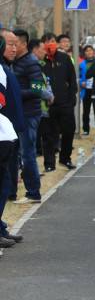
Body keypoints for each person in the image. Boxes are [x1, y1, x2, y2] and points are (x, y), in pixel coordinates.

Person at [10, 29, 43, 203]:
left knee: (27, 154)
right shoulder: (14, 62)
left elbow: (38, 89)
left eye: (15, 44)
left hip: (30, 115)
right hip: (16, 114)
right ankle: (11, 191)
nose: (13, 47)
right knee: (13, 153)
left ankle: (33, 192)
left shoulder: (31, 62)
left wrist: (14, 93)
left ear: (23, 44)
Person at [0, 34, 25, 246]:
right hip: (3, 134)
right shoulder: (1, 70)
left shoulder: (7, 69)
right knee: (4, 182)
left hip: (9, 134)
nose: (14, 48)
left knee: (6, 182)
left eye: (16, 45)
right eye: (9, 44)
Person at [40, 33, 77, 170]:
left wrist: (72, 99)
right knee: (48, 135)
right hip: (48, 105)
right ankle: (49, 164)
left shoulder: (64, 58)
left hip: (65, 103)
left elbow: (72, 79)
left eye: (53, 41)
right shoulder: (41, 61)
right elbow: (37, 82)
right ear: (43, 44)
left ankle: (65, 158)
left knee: (69, 130)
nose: (51, 44)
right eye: (48, 41)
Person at [79, 45, 95, 136]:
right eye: (87, 51)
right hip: (86, 90)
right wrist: (81, 82)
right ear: (84, 53)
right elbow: (79, 76)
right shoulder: (81, 64)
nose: (89, 52)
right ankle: (86, 130)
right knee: (86, 111)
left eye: (90, 50)